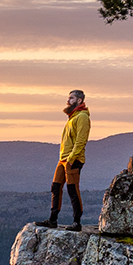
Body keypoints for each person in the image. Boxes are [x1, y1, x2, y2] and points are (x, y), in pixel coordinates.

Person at [48, 90, 90, 229]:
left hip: (73, 160)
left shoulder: (82, 117)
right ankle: (52, 220)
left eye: (71, 98)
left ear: (79, 101)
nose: (68, 101)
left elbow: (81, 140)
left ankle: (76, 222)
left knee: (72, 189)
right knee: (55, 187)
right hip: (63, 160)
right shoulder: (72, 117)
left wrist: (71, 158)